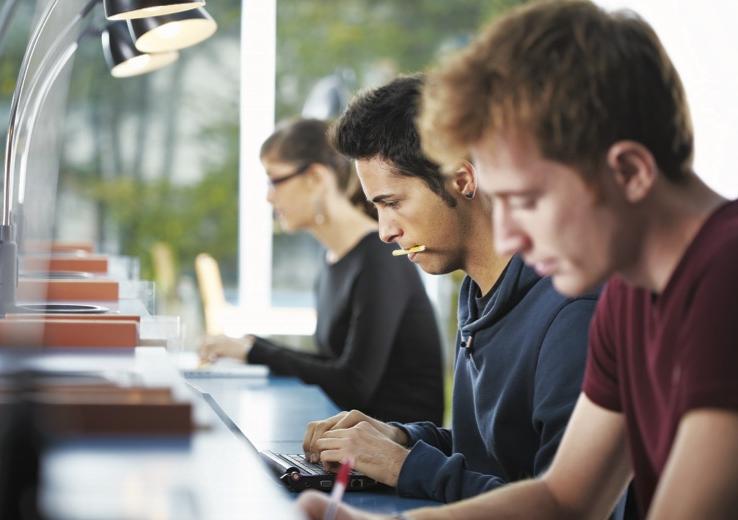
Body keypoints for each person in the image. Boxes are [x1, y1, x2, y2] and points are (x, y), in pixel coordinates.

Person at [298, 1, 738, 519]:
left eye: (525, 201)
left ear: (630, 172)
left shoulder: (724, 278)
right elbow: (564, 498)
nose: (507, 234)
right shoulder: (627, 295)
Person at [301, 75, 598, 504]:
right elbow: (494, 453)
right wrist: (401, 437)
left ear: (461, 179)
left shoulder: (573, 312)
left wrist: (403, 466)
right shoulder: (479, 292)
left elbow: (561, 505)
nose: (385, 232)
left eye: (393, 203)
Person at [200, 118, 444, 424]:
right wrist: (252, 345)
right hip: (350, 439)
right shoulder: (333, 258)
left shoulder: (380, 258)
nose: (268, 196)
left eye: (274, 180)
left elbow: (354, 384)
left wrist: (254, 352)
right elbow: (333, 364)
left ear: (315, 177)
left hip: (394, 454)